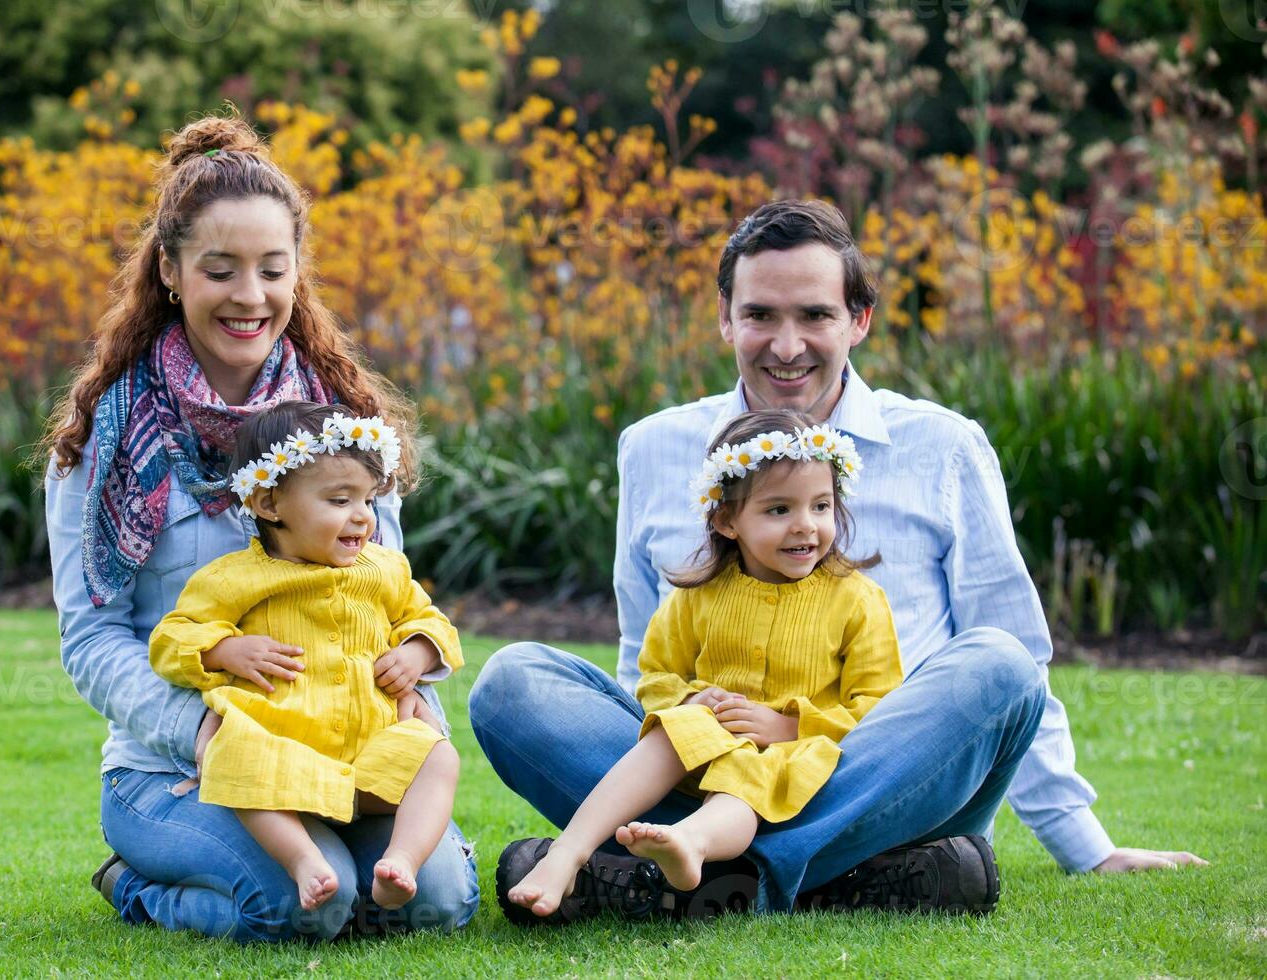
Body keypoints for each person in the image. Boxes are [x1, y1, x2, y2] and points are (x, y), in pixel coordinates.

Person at [472, 198, 1204, 922]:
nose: (786, 345)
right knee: (511, 684)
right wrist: (689, 718)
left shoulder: (945, 447)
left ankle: (708, 874)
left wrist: (1086, 847)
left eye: (815, 315)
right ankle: (845, 875)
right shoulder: (654, 447)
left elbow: (1019, 665)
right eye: (760, 315)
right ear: (725, 317)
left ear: (859, 320)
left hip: (878, 776)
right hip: (703, 766)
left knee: (1001, 663)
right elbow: (644, 658)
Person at [42, 113, 477, 943]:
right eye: (221, 269)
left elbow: (386, 594)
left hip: (345, 747)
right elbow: (93, 636)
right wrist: (199, 726)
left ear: (296, 274)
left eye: (273, 270)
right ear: (170, 270)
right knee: (291, 910)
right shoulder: (108, 433)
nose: (250, 297)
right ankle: (136, 881)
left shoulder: (342, 429)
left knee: (435, 903)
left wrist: (416, 707)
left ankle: (354, 858)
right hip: (182, 765)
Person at [504, 410, 905, 921]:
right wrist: (690, 701)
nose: (807, 524)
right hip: (701, 752)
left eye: (821, 505)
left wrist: (789, 727)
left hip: (796, 763)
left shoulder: (857, 600)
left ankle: (690, 840)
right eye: (779, 509)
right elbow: (656, 676)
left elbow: (878, 707)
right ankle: (571, 851)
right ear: (726, 520)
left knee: (748, 774)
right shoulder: (696, 597)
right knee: (677, 727)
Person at [150, 402, 461, 914]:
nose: (362, 516)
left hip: (371, 752)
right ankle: (302, 860)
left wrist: (419, 651)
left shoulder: (384, 569)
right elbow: (170, 638)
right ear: (270, 503)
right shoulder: (235, 578)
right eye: (340, 500)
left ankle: (401, 860)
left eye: (367, 499)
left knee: (438, 756)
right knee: (237, 756)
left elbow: (430, 620)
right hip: (283, 749)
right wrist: (225, 648)